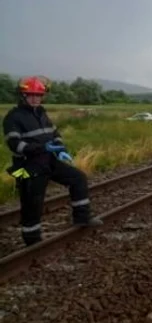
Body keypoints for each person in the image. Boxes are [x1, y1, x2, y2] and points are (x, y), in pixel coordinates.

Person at [3, 76, 102, 246]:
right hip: (28, 165)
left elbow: (55, 134)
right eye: (31, 95)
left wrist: (60, 148)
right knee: (32, 203)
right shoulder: (13, 117)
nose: (35, 98)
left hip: (49, 161)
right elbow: (15, 145)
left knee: (78, 178)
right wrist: (42, 148)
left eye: (38, 95)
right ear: (23, 95)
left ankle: (82, 218)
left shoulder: (42, 113)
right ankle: (32, 242)